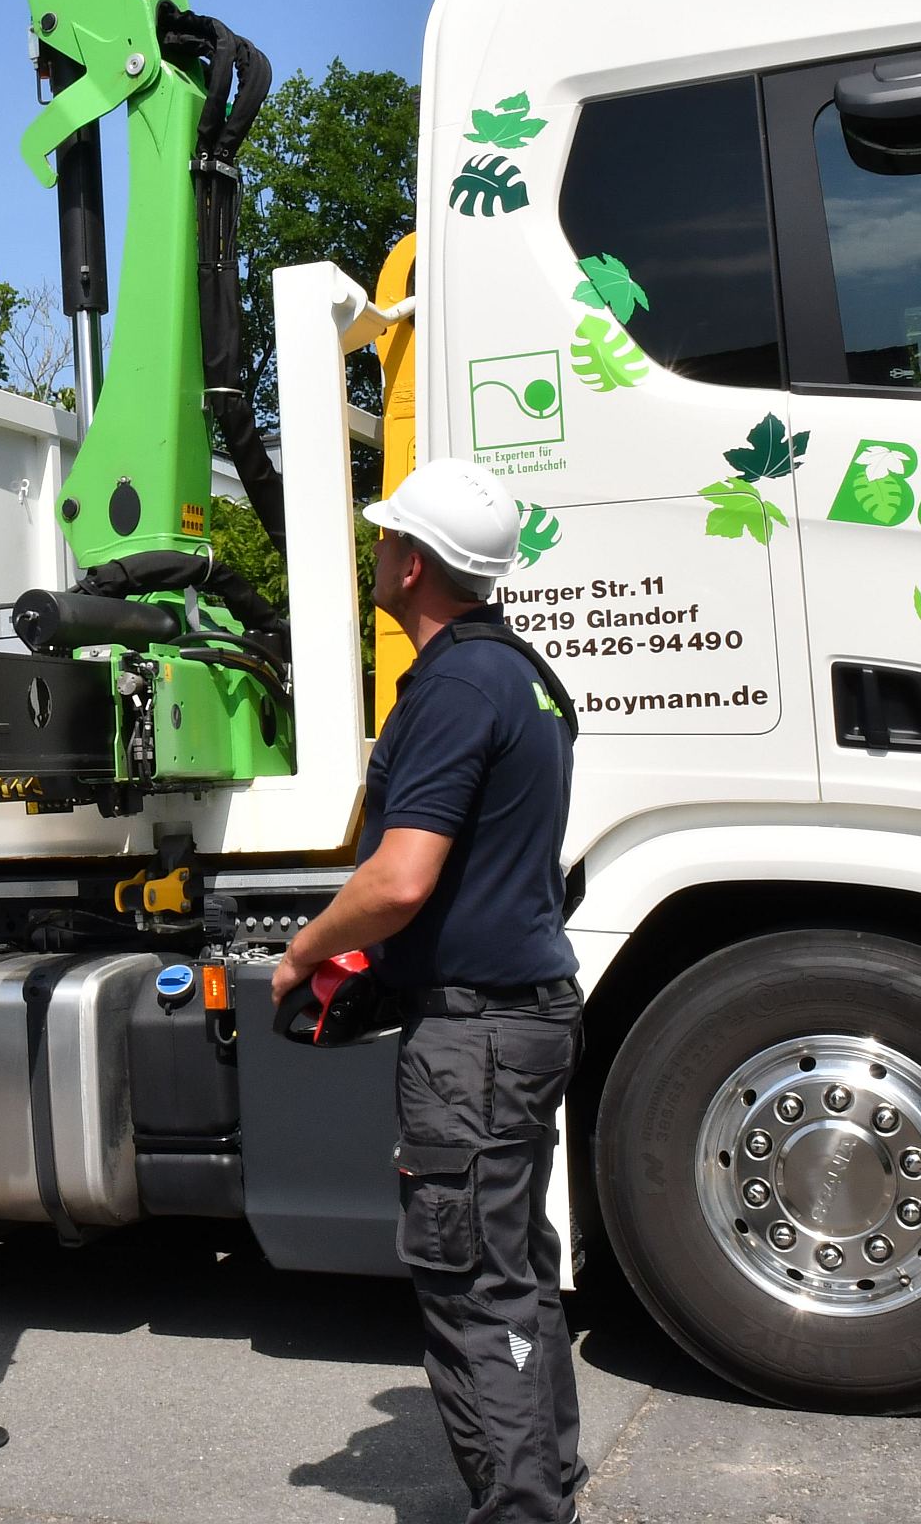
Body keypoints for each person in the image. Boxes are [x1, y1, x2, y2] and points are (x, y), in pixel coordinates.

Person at [270, 457, 583, 1523]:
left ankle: (522, 1509)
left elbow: (400, 881)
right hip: (529, 1017)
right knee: (516, 1264)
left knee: (472, 1278)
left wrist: (303, 951)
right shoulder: (529, 677)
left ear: (413, 563)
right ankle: (549, 1479)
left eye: (388, 536)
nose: (378, 549)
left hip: (476, 1038)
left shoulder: (452, 687)